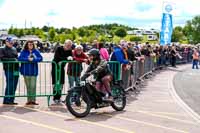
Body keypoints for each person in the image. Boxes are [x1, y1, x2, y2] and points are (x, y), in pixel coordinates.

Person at [18, 40, 43, 105]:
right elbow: (20, 58)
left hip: (33, 71)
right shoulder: (24, 51)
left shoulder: (36, 51)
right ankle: (29, 100)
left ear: (33, 45)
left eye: (31, 44)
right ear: (26, 45)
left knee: (33, 86)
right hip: (26, 71)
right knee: (28, 86)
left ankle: (33, 100)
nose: (30, 45)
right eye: (29, 44)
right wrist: (27, 59)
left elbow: (40, 58)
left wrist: (34, 59)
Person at [52, 39, 72, 104]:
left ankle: (59, 97)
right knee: (55, 82)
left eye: (70, 45)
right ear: (64, 44)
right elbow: (57, 57)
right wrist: (66, 58)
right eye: (68, 45)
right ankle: (55, 97)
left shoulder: (70, 50)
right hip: (55, 67)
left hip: (61, 68)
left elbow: (71, 57)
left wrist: (70, 58)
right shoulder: (59, 48)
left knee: (61, 82)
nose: (69, 47)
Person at [0, 36, 19, 105]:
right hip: (8, 69)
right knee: (10, 84)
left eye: (12, 42)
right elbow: (2, 59)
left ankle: (11, 100)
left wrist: (17, 60)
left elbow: (17, 57)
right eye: (10, 42)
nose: (11, 43)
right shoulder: (2, 49)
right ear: (6, 42)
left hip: (16, 69)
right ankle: (6, 100)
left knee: (14, 84)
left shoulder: (14, 48)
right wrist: (13, 60)